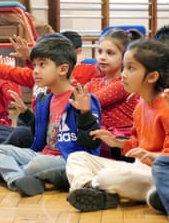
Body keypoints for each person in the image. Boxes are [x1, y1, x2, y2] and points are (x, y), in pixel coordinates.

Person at [0, 34, 102, 197]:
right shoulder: (46, 100)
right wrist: (25, 113)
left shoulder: (82, 98)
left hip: (69, 160)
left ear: (63, 69)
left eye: (42, 65)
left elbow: (91, 144)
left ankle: (14, 174)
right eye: (34, 65)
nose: (35, 71)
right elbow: (40, 135)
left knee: (37, 163)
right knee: (0, 151)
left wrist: (85, 114)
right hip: (43, 154)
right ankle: (18, 180)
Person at [66, 39, 169, 213]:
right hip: (138, 168)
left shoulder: (165, 106)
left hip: (158, 174)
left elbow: (165, 160)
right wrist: (118, 143)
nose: (123, 75)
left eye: (131, 68)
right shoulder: (141, 105)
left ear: (152, 76)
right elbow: (137, 145)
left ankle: (97, 189)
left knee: (109, 176)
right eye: (124, 68)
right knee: (77, 158)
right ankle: (90, 189)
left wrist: (151, 155)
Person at [83, 29, 139, 159]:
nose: (102, 57)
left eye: (110, 53)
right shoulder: (94, 83)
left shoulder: (124, 83)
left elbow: (92, 101)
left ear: (125, 57)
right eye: (100, 52)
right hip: (102, 135)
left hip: (122, 139)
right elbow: (77, 97)